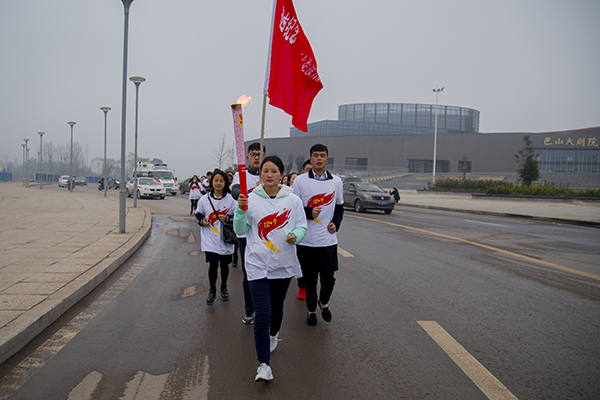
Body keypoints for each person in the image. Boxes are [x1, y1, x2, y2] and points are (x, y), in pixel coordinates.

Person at [234, 155, 307, 382]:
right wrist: (240, 210)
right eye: (265, 170)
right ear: (260, 174)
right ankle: (263, 365)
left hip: (282, 263)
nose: (269, 174)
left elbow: (302, 226)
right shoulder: (250, 199)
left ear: (281, 175)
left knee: (276, 309)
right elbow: (240, 230)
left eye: (274, 171)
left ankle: (274, 334)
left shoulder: (293, 200)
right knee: (262, 314)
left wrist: (296, 236)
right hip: (257, 264)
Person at [292, 144, 344, 325]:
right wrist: (309, 213)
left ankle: (324, 303)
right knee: (310, 281)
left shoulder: (336, 181)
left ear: (327, 159)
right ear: (311, 159)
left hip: (328, 240)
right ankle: (311, 311)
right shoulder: (300, 181)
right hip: (307, 241)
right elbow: (293, 208)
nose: (319, 158)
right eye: (316, 155)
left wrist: (336, 223)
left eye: (322, 155)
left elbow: (339, 207)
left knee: (329, 279)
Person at [231, 142, 266, 324]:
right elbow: (235, 191)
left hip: (265, 232)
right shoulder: (241, 174)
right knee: (249, 272)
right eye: (253, 154)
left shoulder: (268, 175)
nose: (256, 157)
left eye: (259, 154)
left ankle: (265, 308)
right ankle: (249, 308)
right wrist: (249, 192)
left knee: (267, 271)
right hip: (246, 233)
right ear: (247, 157)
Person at [194, 169, 236, 305]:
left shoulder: (231, 200)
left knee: (224, 265)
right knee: (213, 265)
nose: (218, 183)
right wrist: (202, 221)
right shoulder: (204, 199)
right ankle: (212, 290)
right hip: (210, 238)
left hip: (225, 238)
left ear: (225, 183)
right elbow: (197, 213)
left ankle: (224, 287)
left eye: (221, 181)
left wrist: (227, 218)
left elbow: (237, 216)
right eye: (216, 180)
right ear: (211, 182)